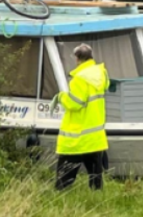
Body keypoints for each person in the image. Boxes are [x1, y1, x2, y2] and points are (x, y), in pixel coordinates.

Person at [55, 43, 110, 190]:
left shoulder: (79, 79)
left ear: (77, 58)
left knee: (63, 181)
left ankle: (59, 198)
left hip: (78, 138)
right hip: (95, 137)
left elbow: (75, 103)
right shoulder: (100, 74)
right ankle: (97, 199)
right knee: (95, 179)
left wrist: (61, 97)